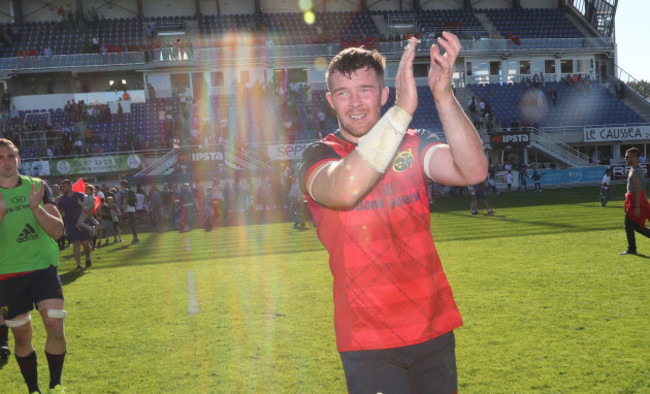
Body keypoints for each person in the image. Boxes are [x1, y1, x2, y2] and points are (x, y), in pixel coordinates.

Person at [298, 33, 487, 393]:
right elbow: (342, 189)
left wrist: (443, 95)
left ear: (384, 94)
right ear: (329, 101)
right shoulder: (318, 155)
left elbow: (473, 171)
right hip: (368, 342)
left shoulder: (413, 143)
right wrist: (400, 113)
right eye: (343, 93)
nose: (355, 103)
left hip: (432, 329)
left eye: (366, 90)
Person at [0, 138, 67, 393]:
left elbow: (58, 231)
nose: (6, 162)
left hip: (43, 268)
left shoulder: (38, 186)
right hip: (7, 274)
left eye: (10, 156)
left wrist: (36, 208)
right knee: (21, 337)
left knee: (55, 327)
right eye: (0, 158)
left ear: (18, 159)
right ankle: (33, 389)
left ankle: (56, 384)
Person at [620, 147, 650, 255]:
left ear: (635, 158)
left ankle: (632, 249)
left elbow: (638, 189)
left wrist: (637, 206)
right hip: (633, 201)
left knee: (630, 225)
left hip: (634, 202)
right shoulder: (634, 169)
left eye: (629, 157)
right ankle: (632, 248)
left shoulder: (636, 171)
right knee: (636, 226)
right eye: (626, 157)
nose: (626, 159)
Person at [58, 179, 93, 270]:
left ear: (70, 186)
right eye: (61, 187)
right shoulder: (61, 199)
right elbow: (59, 212)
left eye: (64, 187)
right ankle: (78, 265)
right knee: (76, 243)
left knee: (85, 243)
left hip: (83, 222)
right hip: (71, 224)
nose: (62, 188)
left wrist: (89, 215)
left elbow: (90, 205)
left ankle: (88, 257)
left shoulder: (80, 195)